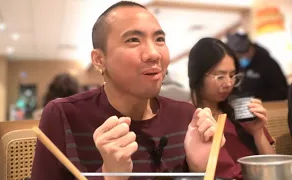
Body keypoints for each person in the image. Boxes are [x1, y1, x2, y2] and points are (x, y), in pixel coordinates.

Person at [31, 2, 237, 180]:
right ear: (99, 60)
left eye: (159, 40)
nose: (154, 54)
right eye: (133, 40)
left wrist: (200, 170)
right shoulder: (63, 115)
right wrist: (109, 175)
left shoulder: (186, 116)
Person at [188, 37, 276, 179]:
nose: (229, 83)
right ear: (197, 76)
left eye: (232, 75)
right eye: (220, 76)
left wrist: (258, 132)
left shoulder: (241, 111)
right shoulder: (188, 118)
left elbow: (274, 170)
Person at [226, 32, 288, 101]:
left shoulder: (268, 63)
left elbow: (281, 91)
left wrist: (258, 100)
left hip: (267, 105)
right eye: (237, 56)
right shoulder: (235, 65)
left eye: (242, 55)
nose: (240, 58)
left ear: (251, 49)